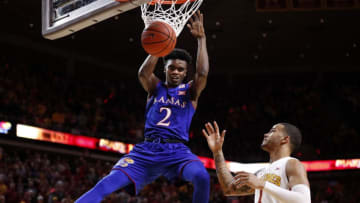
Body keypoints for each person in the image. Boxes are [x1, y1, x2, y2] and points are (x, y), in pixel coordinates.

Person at [75, 10, 210, 203]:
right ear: (165, 69)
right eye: (171, 67)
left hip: (177, 151)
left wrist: (201, 39)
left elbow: (203, 73)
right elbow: (143, 73)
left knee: (202, 176)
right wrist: (160, 48)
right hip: (147, 150)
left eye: (181, 69)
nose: (176, 72)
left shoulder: (190, 92)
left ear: (186, 73)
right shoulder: (156, 87)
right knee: (106, 184)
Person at [202, 121, 311, 203]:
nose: (265, 134)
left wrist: (262, 184)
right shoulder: (262, 173)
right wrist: (217, 152)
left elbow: (304, 200)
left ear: (285, 139)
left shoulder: (292, 164)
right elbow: (228, 189)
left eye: (272, 131)